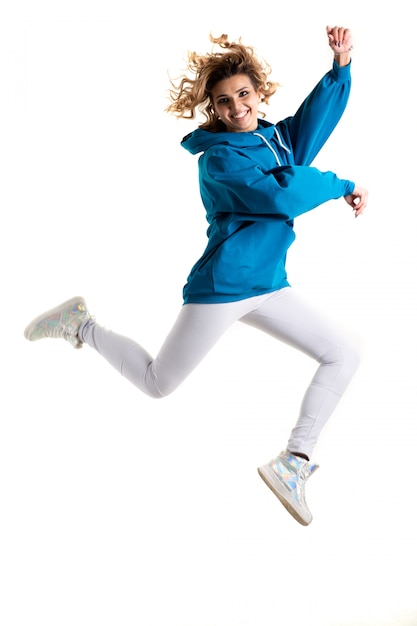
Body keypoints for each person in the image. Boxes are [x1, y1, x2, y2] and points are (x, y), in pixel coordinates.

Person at [24, 25, 368, 526]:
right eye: (224, 102)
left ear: (258, 93)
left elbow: (311, 126)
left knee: (345, 351)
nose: (236, 108)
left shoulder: (276, 139)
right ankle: (81, 324)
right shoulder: (221, 159)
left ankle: (293, 463)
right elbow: (281, 197)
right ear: (214, 109)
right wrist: (343, 183)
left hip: (269, 284)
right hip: (224, 287)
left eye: (244, 94)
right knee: (158, 382)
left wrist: (341, 67)